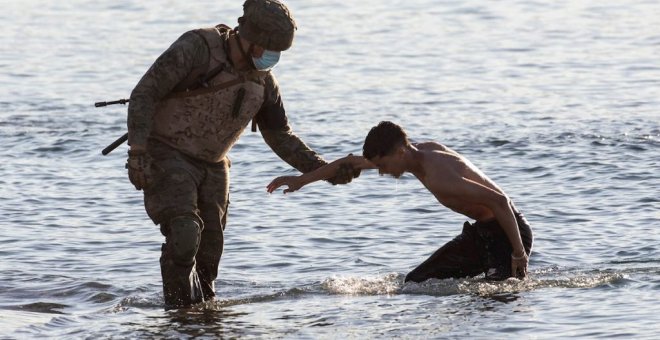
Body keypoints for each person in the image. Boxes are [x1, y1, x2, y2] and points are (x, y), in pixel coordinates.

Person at [125, 0, 359, 309]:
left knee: (209, 254)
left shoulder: (263, 83)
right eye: (264, 47)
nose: (269, 56)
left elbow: (280, 136)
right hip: (166, 152)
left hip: (214, 165)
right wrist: (138, 151)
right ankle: (179, 314)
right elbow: (145, 93)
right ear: (246, 37)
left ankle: (204, 315)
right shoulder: (197, 48)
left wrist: (323, 169)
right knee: (184, 233)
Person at [267, 121, 533, 282]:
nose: (380, 171)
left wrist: (518, 253)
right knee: (416, 281)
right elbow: (348, 162)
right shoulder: (416, 152)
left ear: (399, 152)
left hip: (508, 233)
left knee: (498, 297)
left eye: (382, 165)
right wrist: (302, 180)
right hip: (484, 232)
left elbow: (500, 201)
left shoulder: (439, 174)